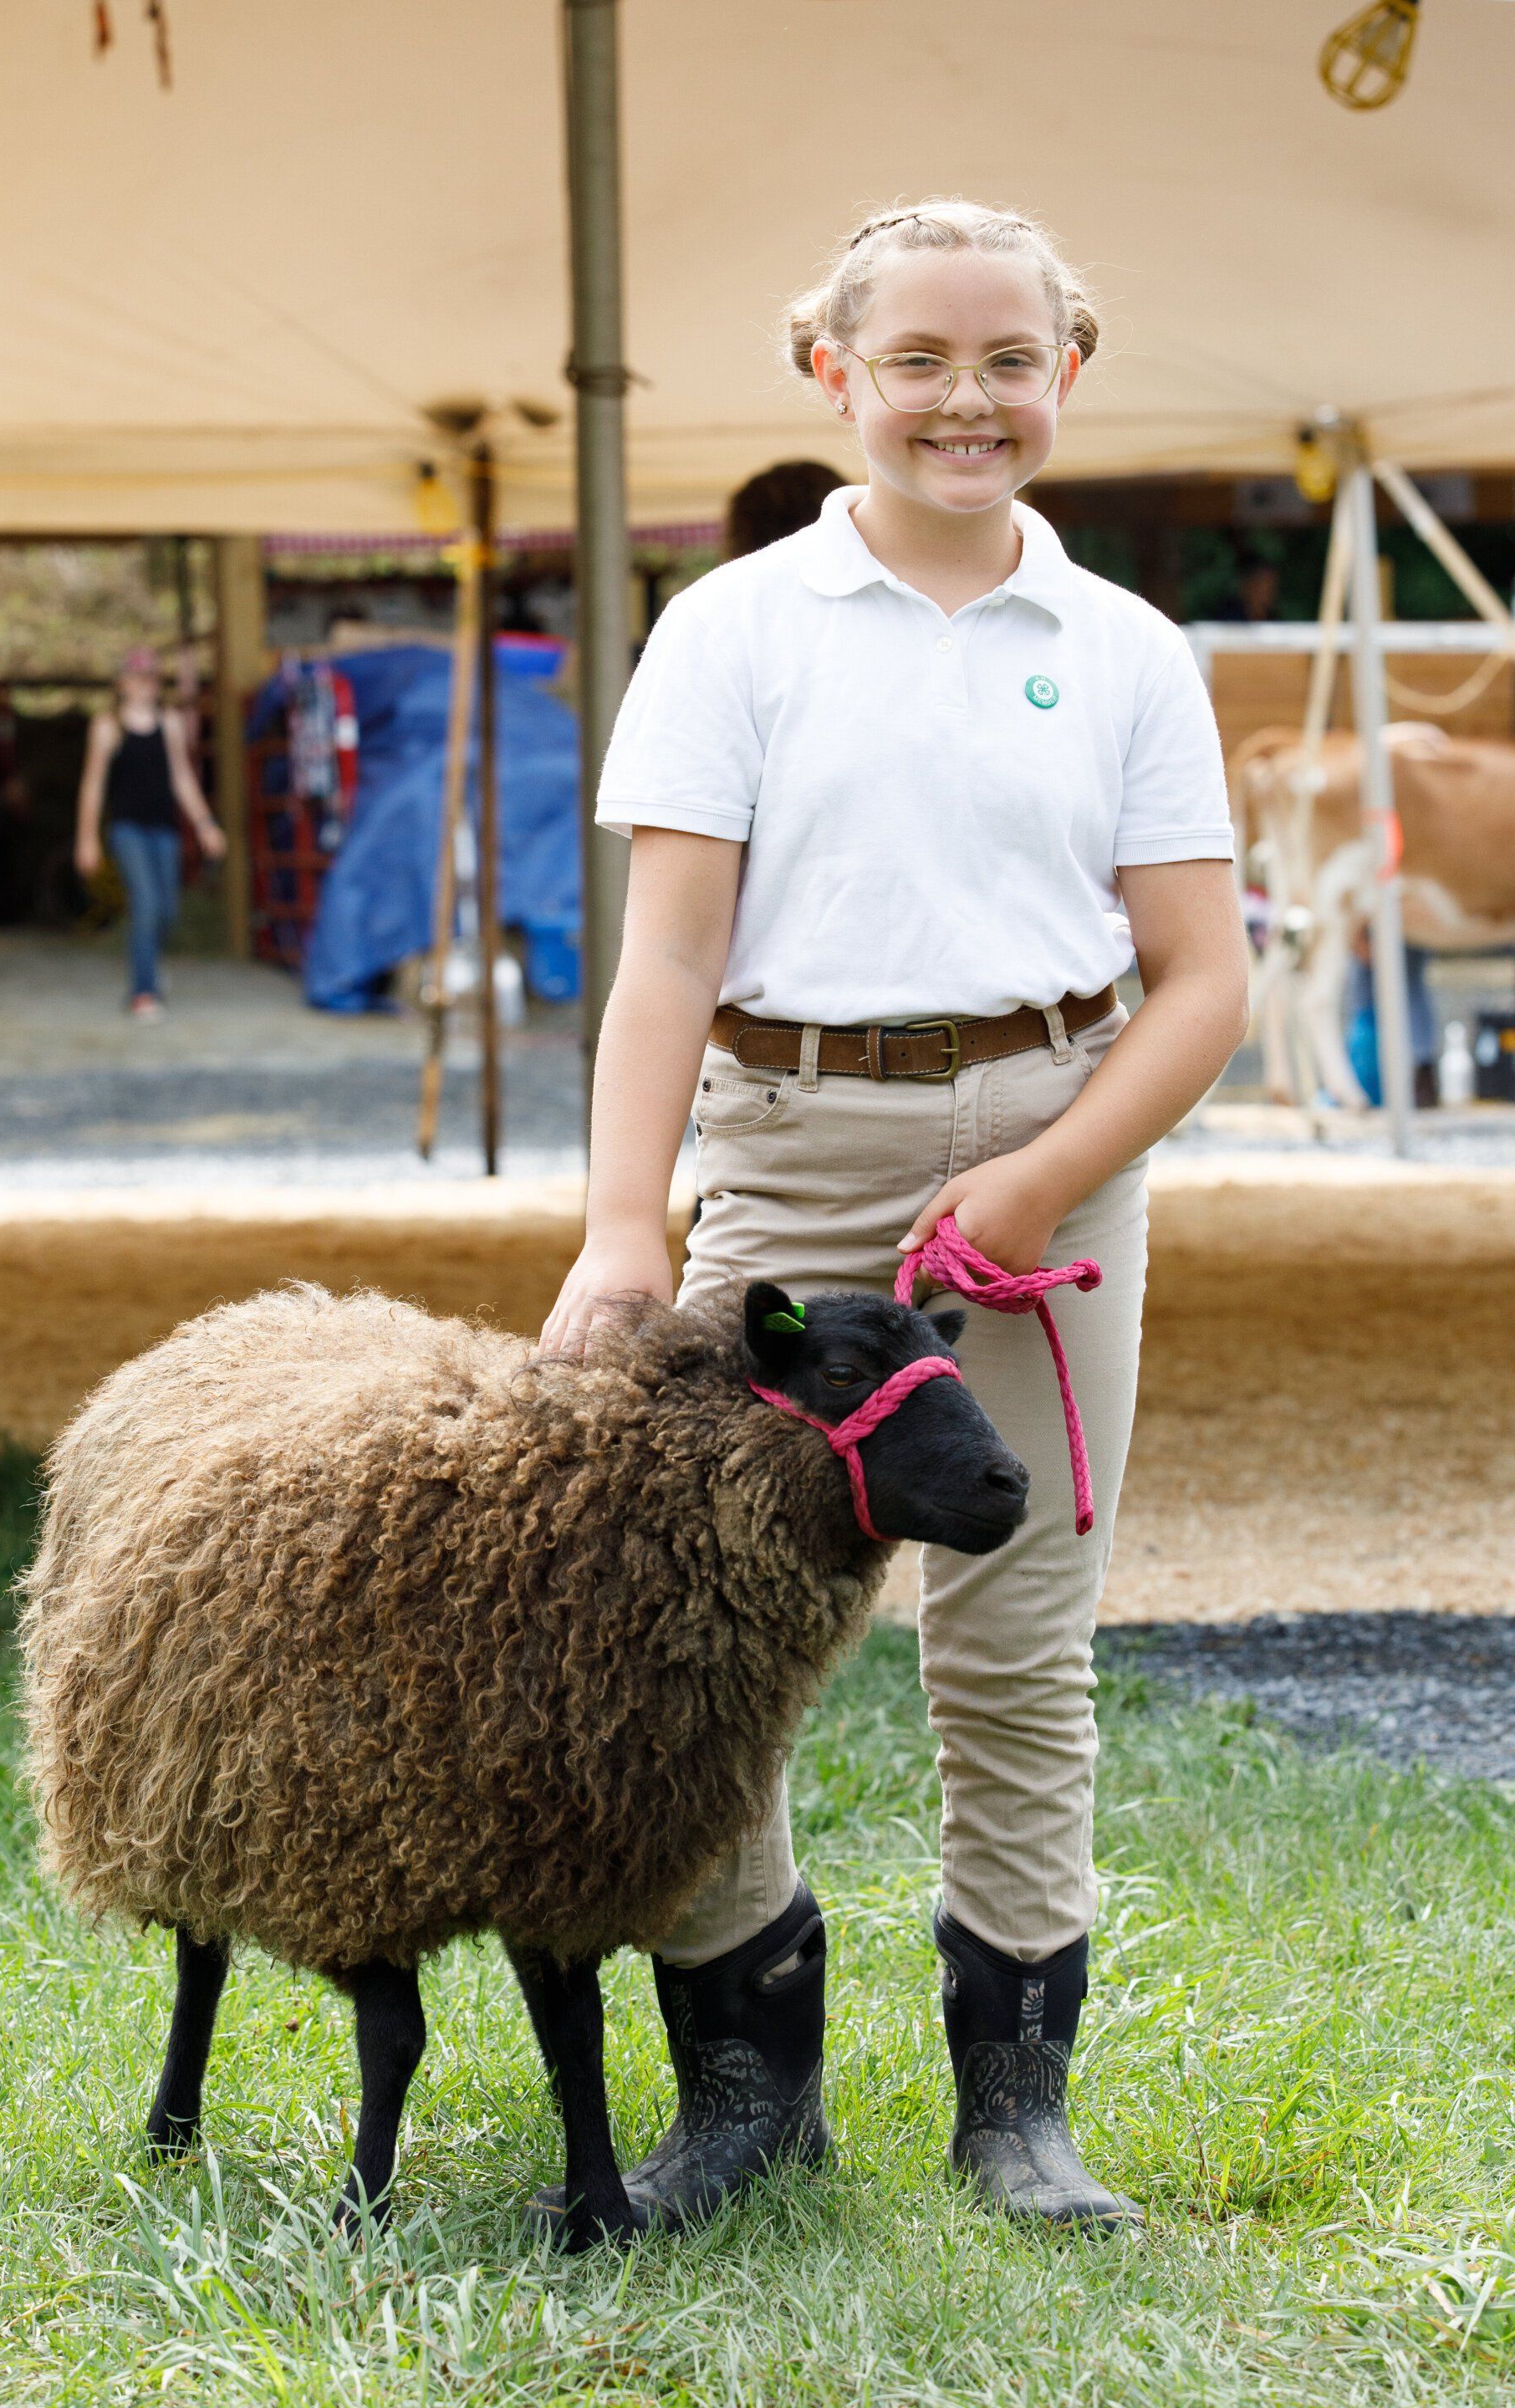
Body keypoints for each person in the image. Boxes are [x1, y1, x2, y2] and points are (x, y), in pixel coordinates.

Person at [542, 199, 1249, 2232]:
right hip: (786, 1144)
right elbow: (666, 965)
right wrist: (621, 1231)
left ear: (1067, 376)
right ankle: (749, 2077)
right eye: (918, 360)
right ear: (833, 374)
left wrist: (1030, 1179)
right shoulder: (735, 631)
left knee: (1019, 1637)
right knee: (696, 1629)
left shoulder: (1122, 651)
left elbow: (1198, 981)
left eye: (1007, 360)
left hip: (1052, 1136)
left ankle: (1015, 2107)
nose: (966, 399)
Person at [74, 645, 226, 1019]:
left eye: (152, 678)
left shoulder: (170, 722)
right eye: (138, 677)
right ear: (122, 683)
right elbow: (92, 785)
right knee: (145, 905)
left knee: (168, 911)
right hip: (128, 830)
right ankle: (143, 992)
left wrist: (205, 823)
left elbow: (182, 778)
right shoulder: (108, 726)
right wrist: (87, 838)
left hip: (164, 830)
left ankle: (149, 964)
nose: (145, 685)